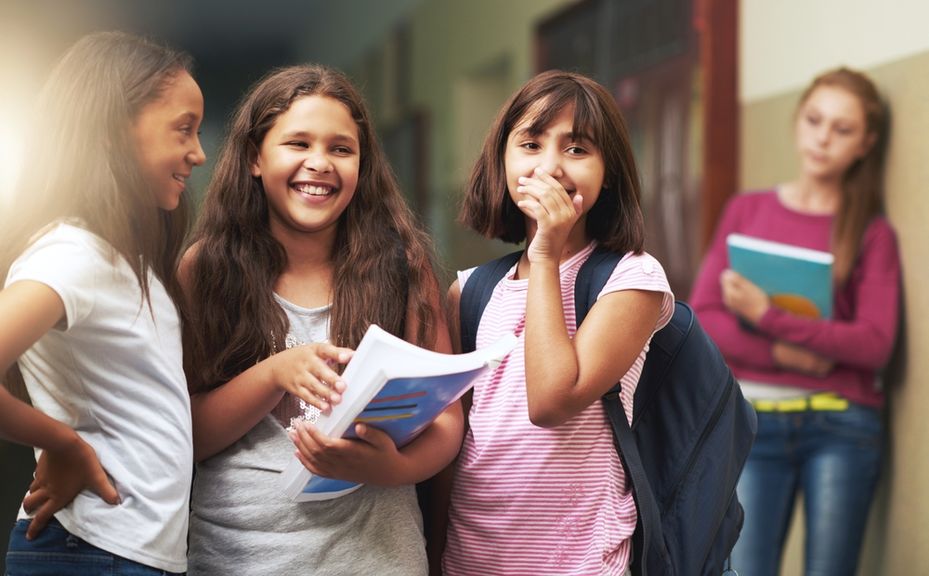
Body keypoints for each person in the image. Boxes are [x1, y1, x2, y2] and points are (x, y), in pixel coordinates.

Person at [180, 64, 464, 576]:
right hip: (238, 557)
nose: (320, 163)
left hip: (378, 558)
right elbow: (187, 435)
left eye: (341, 148)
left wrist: (391, 467)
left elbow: (447, 422)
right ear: (254, 158)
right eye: (297, 144)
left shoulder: (402, 265)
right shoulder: (206, 269)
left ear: (362, 164)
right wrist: (274, 373)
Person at [441, 70, 675, 576]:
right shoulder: (471, 291)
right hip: (472, 559)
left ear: (608, 170)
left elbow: (551, 400)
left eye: (577, 149)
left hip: (582, 561)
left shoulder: (632, 278)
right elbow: (451, 440)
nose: (550, 166)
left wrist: (545, 254)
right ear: (502, 160)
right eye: (530, 144)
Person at [0, 31, 206, 575]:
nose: (199, 152)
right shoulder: (73, 253)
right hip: (91, 550)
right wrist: (62, 444)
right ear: (116, 129)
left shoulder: (121, 260)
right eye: (183, 129)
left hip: (122, 552)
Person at [689, 67, 899, 576]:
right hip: (755, 423)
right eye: (814, 120)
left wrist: (766, 316)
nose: (823, 138)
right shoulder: (747, 209)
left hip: (843, 429)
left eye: (842, 129)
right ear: (798, 121)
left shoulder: (872, 233)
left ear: (866, 144)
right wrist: (782, 353)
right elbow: (704, 319)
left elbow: (873, 344)